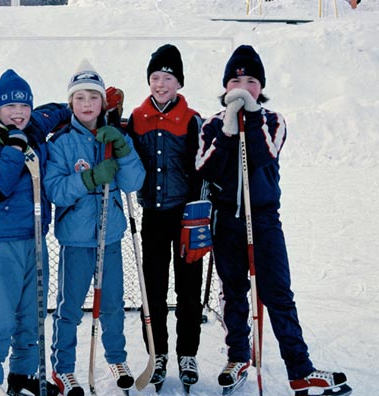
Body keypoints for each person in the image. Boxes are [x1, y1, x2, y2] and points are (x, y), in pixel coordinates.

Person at [195, 44, 351, 395]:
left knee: (277, 293)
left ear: (261, 88)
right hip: (226, 221)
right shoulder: (211, 125)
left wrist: (248, 118)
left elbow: (266, 154)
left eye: (251, 80)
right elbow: (205, 166)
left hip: (263, 220)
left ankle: (300, 368)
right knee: (233, 292)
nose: (243, 85)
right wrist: (229, 129)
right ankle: (238, 357)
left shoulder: (273, 120)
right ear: (225, 86)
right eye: (236, 79)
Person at [0, 69, 71, 396]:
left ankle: (23, 376)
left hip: (35, 238)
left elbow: (54, 112)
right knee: (0, 321)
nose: (18, 112)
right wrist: (13, 147)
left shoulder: (33, 125)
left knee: (32, 317)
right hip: (0, 243)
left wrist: (86, 104)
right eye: (10, 106)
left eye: (24, 105)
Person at [43, 59, 145, 396]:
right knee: (69, 307)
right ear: (70, 102)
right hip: (76, 239)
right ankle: (64, 368)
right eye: (80, 97)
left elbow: (133, 182)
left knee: (113, 303)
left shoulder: (114, 138)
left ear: (104, 103)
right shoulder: (59, 142)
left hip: (110, 235)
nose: (87, 104)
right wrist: (87, 179)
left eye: (94, 97)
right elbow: (55, 190)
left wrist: (124, 149)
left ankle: (116, 358)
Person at [125, 43, 210, 393]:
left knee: (189, 288)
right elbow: (124, 156)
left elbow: (203, 169)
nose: (160, 84)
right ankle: (157, 353)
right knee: (154, 288)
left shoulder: (192, 120)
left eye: (168, 78)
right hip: (154, 217)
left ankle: (187, 353)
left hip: (185, 216)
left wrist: (199, 217)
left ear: (179, 83)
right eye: (155, 77)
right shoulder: (136, 119)